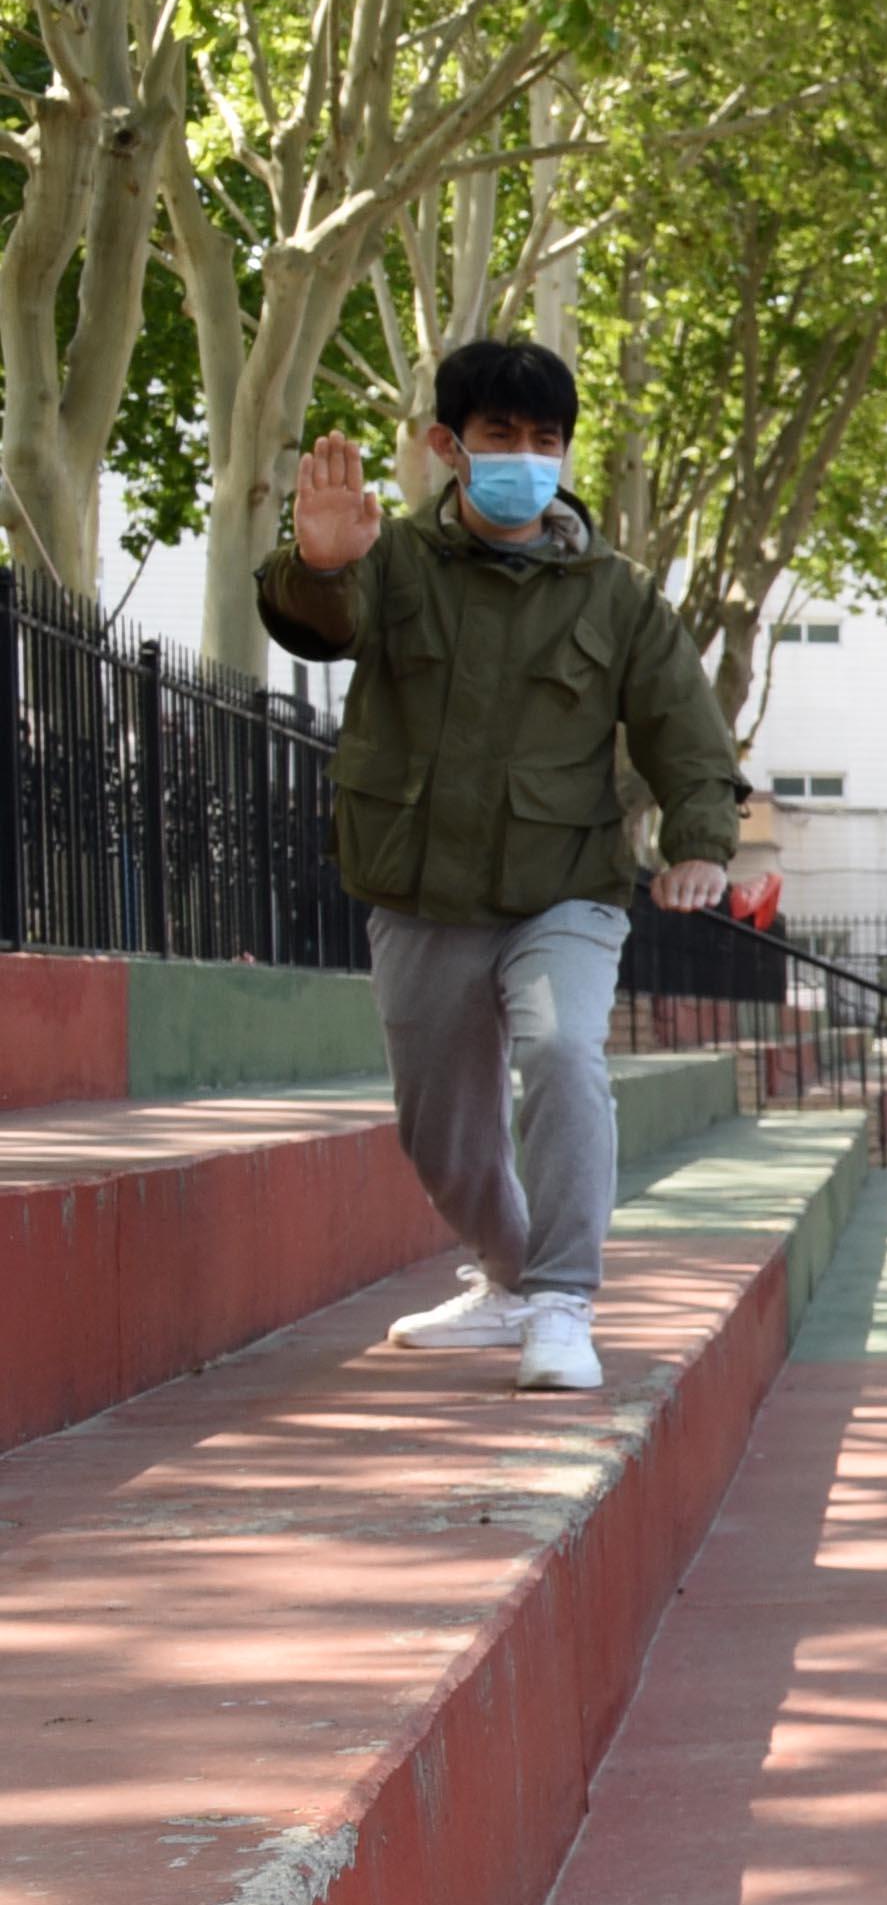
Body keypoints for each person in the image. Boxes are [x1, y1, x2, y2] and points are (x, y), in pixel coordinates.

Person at [264, 338, 748, 1398]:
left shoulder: (615, 594)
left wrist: (701, 845)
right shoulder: (390, 561)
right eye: (499, 436)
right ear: (450, 445)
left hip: (564, 885)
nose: (525, 456)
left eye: (545, 439)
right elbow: (315, 621)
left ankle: (563, 1301)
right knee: (441, 1129)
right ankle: (508, 1282)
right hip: (419, 886)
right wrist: (322, 562)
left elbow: (687, 735)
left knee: (567, 1049)